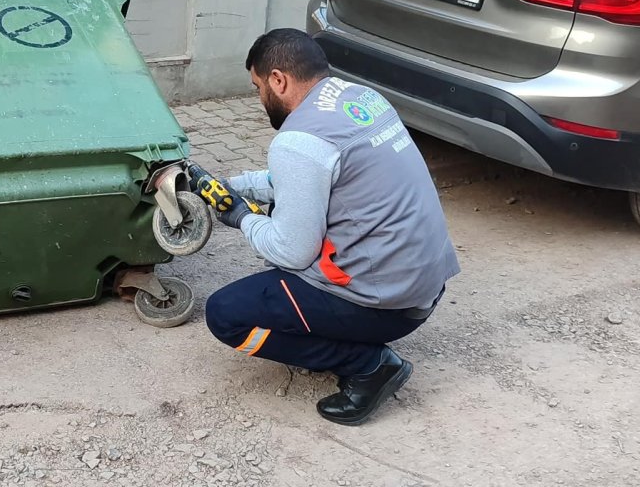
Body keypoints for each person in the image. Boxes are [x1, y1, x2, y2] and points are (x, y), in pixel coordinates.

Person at [195, 28, 460, 426]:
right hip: (422, 288)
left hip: (388, 305)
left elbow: (291, 249)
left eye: (257, 88)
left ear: (278, 79)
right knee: (283, 258)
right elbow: (303, 179)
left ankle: (369, 365)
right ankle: (343, 338)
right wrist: (234, 186)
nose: (259, 99)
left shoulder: (298, 140)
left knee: (225, 314)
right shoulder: (360, 99)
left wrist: (240, 216)